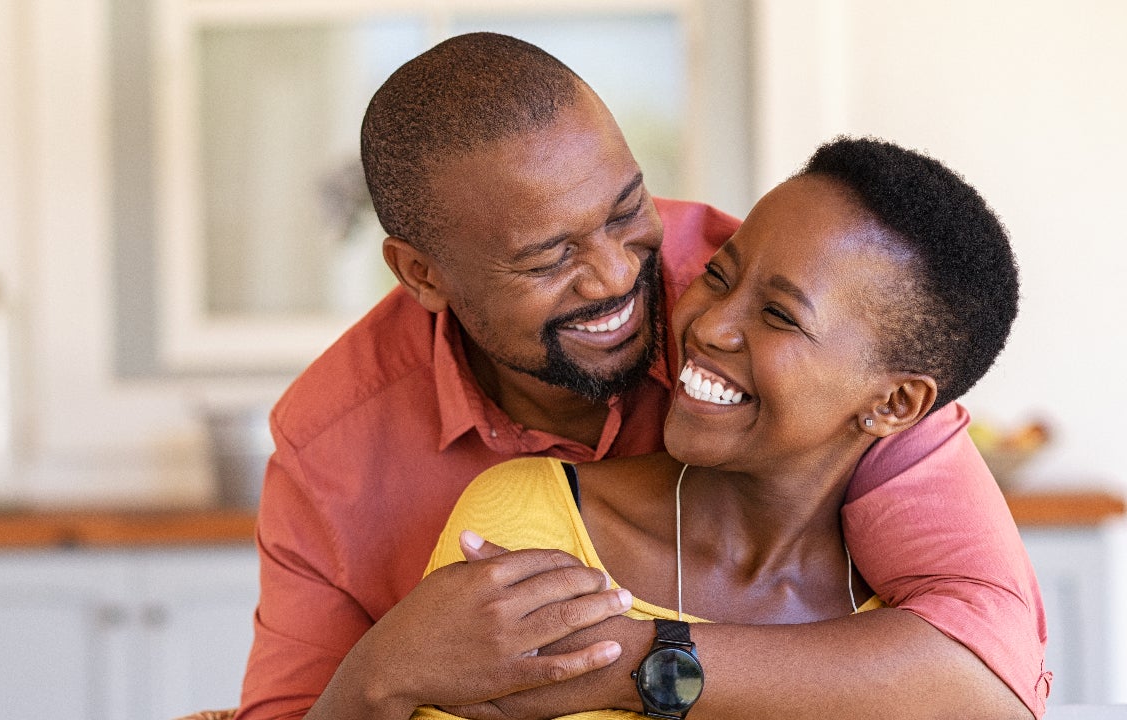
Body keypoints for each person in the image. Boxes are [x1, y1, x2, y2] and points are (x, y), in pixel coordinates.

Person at [237, 32, 1048, 720]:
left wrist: (628, 662)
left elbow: (991, 666)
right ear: (421, 276)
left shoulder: (789, 307)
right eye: (550, 256)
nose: (615, 277)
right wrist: (384, 672)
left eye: (626, 209)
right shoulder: (330, 451)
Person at [413, 135, 1027, 720]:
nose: (709, 328)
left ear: (895, 404)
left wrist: (625, 663)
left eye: (779, 315)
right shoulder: (532, 526)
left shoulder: (918, 637)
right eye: (718, 275)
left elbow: (1003, 685)